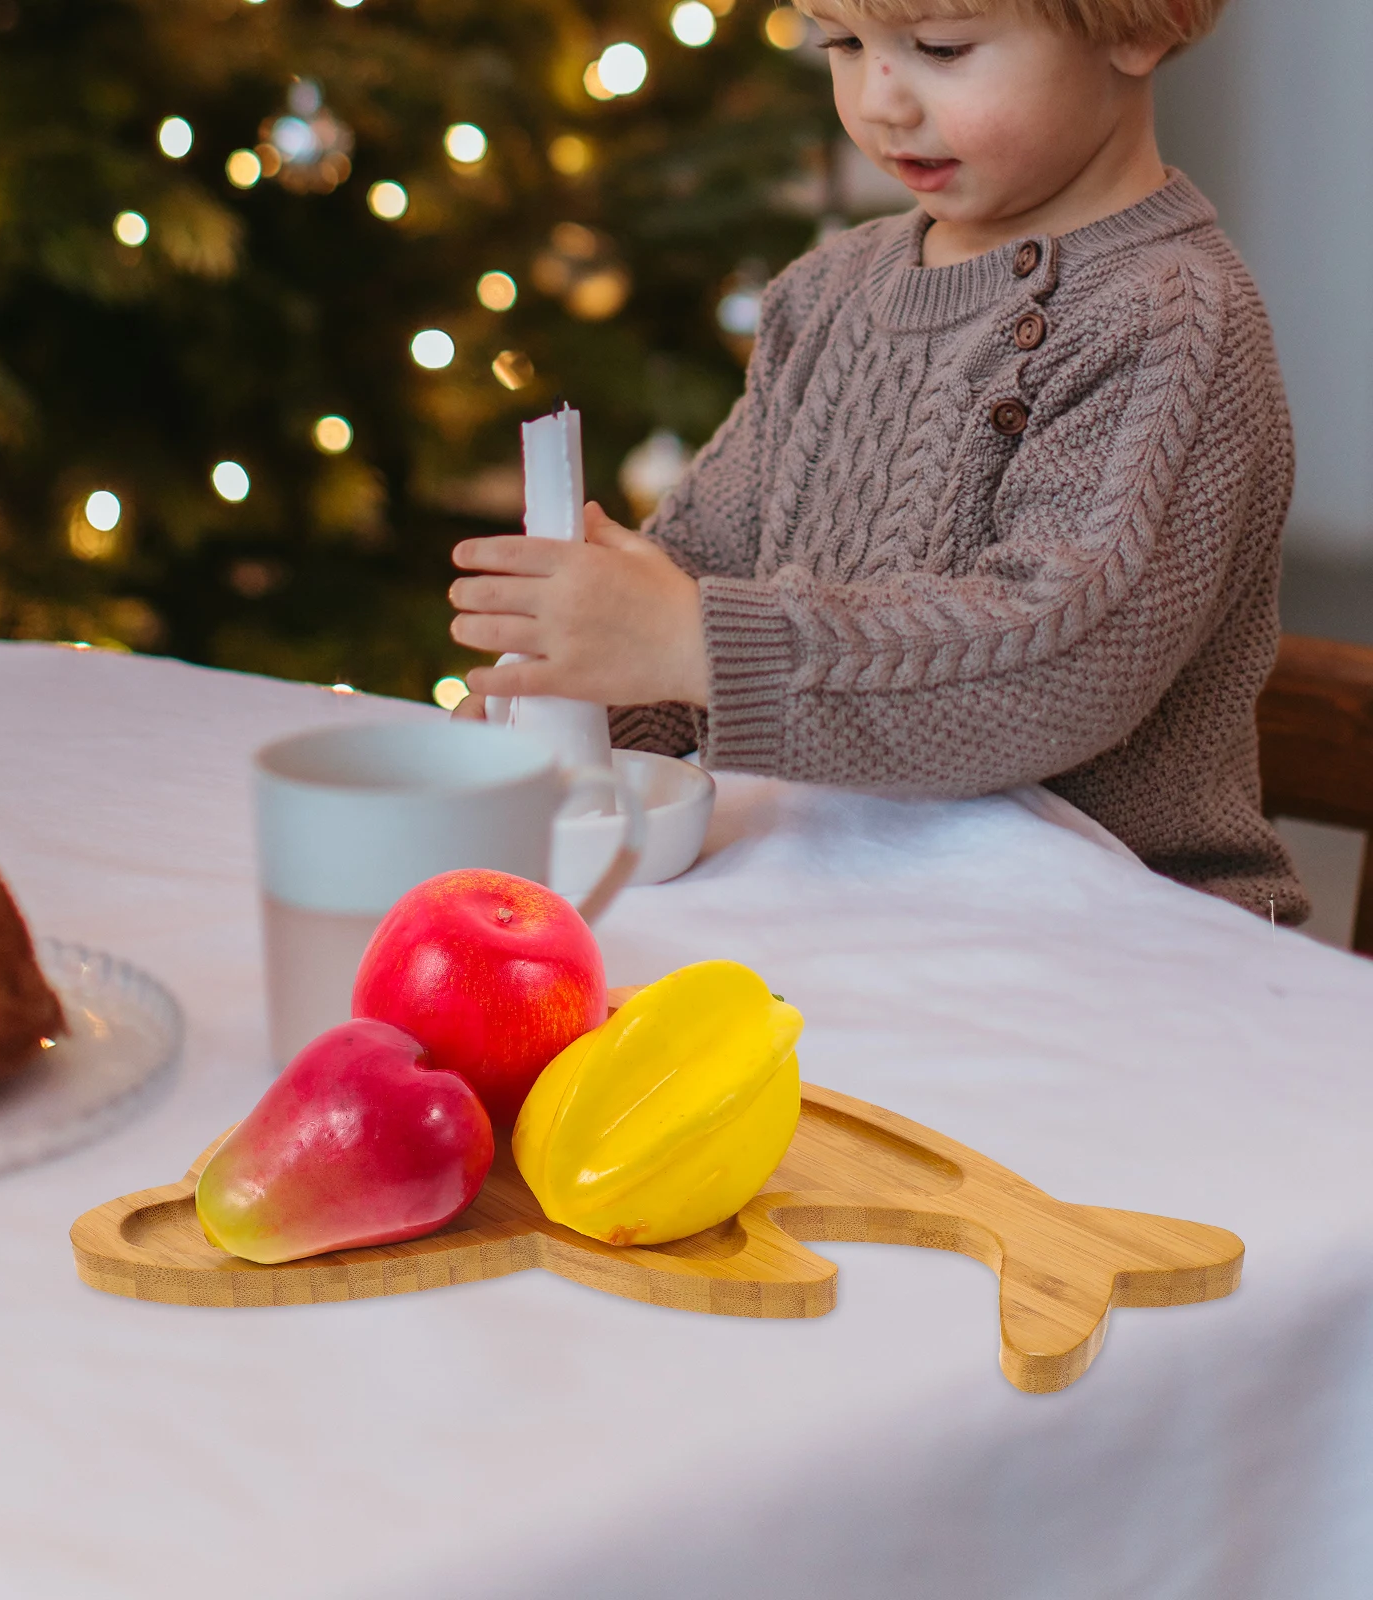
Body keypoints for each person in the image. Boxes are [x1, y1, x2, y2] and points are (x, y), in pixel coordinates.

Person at [448, 0, 1307, 923]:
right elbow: (698, 562)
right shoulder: (825, 295)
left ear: (1139, 25)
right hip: (857, 905)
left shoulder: (1168, 319)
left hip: (1115, 935)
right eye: (844, 44)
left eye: (941, 48)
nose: (880, 101)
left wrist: (690, 645)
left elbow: (1058, 664)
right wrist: (576, 703)